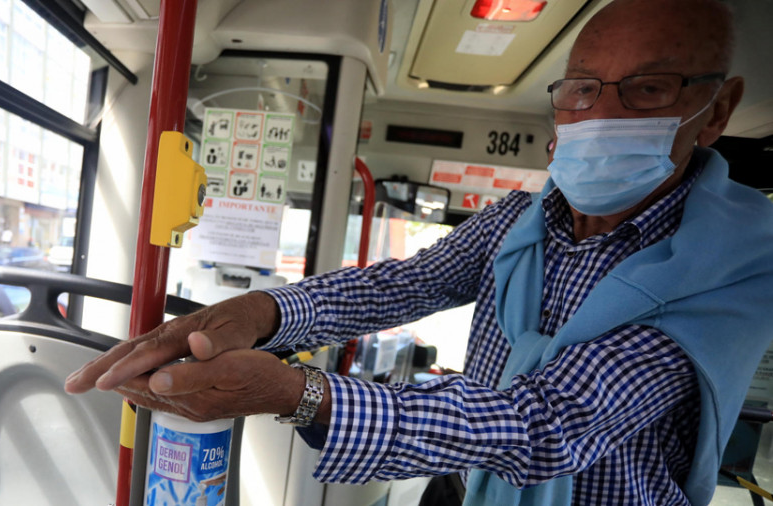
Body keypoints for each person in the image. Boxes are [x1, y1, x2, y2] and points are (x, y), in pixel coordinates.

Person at [65, 0, 773, 504]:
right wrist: (260, 311)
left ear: (715, 109)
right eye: (583, 89)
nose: (601, 116)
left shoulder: (738, 268)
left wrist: (298, 391)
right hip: (465, 488)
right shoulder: (521, 220)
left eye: (647, 89)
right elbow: (402, 285)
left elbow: (548, 424)